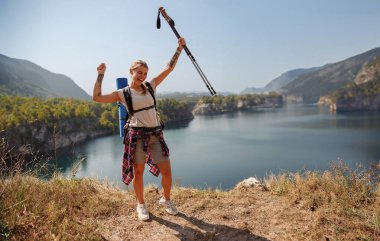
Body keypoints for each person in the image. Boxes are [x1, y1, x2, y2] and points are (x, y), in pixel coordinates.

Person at [93, 37, 186, 221]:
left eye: (145, 73)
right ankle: (141, 205)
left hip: (155, 135)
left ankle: (166, 200)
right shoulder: (123, 94)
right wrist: (100, 75)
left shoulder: (150, 86)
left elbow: (169, 68)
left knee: (167, 171)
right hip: (136, 136)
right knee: (139, 171)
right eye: (139, 72)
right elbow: (96, 97)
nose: (142, 75)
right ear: (131, 72)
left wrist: (179, 49)